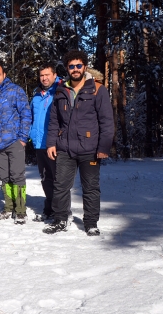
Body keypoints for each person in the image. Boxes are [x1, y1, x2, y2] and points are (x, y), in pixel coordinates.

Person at [43, 50, 114, 236]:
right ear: (67, 68)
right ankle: (60, 219)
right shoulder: (61, 91)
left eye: (78, 65)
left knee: (90, 187)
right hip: (65, 148)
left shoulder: (97, 89)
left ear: (84, 66)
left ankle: (91, 222)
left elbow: (106, 120)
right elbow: (54, 121)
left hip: (89, 148)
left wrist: (103, 147)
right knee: (61, 186)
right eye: (71, 66)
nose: (75, 69)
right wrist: (51, 143)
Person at [0, 63, 32, 224]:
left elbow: (26, 114)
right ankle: (9, 207)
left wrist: (23, 138)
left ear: (4, 74)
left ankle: (21, 209)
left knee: (17, 176)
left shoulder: (15, 91)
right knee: (4, 177)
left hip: (14, 141)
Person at [29, 62, 64, 222]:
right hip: (39, 144)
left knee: (58, 180)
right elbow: (30, 117)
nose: (44, 78)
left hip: (54, 145)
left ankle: (60, 212)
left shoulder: (61, 92)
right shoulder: (37, 95)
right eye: (42, 75)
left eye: (47, 75)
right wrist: (30, 134)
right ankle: (49, 208)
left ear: (54, 75)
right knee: (45, 179)